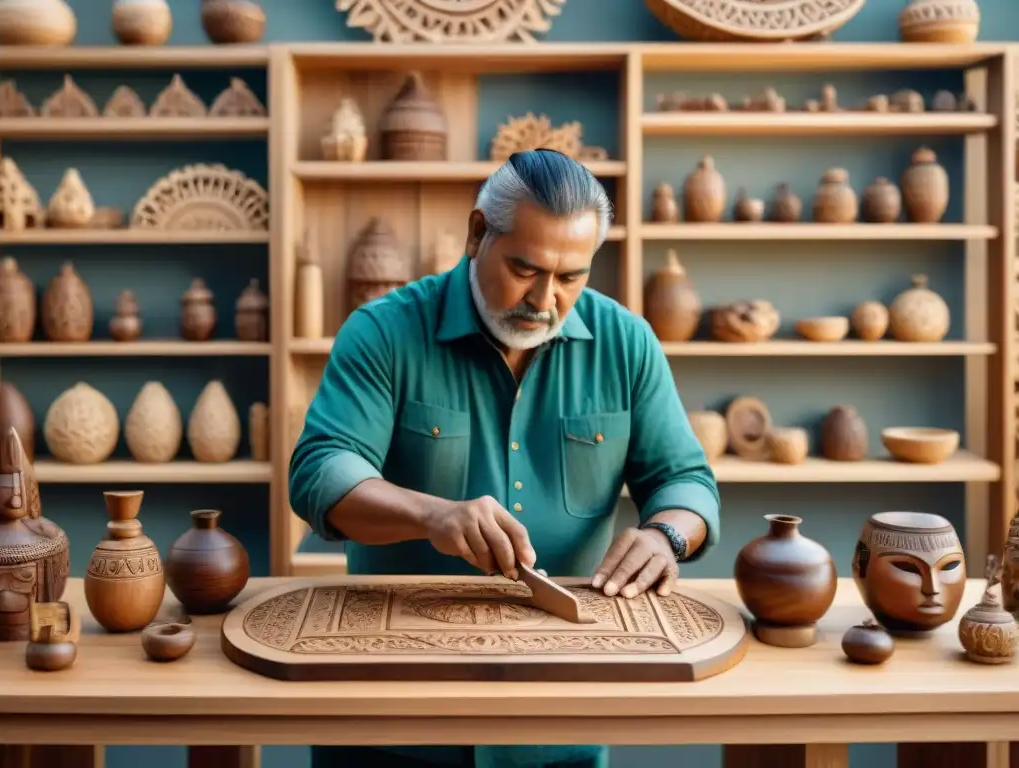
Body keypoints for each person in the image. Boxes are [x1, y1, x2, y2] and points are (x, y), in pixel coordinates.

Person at [289, 148, 720, 768]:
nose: (544, 299)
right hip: (391, 713)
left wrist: (666, 537)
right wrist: (431, 516)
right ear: (476, 234)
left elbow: (686, 481)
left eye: (571, 277)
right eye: (525, 268)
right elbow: (320, 472)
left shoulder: (627, 342)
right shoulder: (382, 331)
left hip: (560, 714)